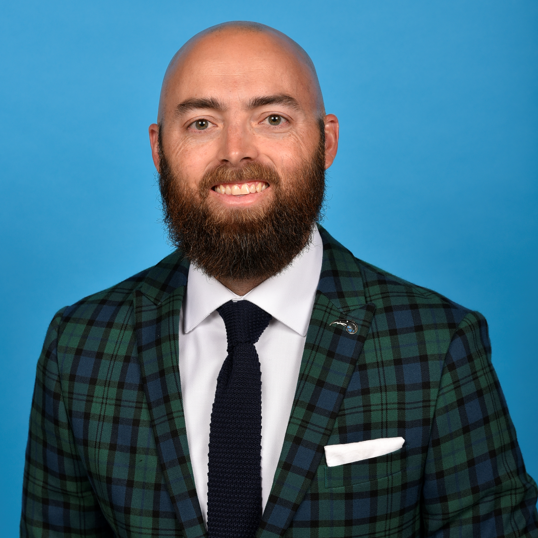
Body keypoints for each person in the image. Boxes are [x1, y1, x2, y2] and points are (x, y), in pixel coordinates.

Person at [21, 21, 538, 538]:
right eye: (201, 123)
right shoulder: (79, 348)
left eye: (272, 118)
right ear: (159, 151)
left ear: (326, 141)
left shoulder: (439, 343)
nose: (236, 151)